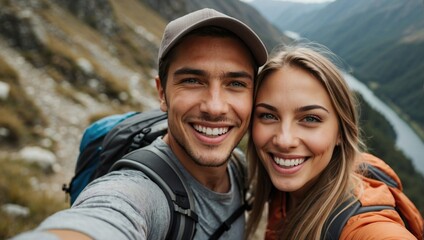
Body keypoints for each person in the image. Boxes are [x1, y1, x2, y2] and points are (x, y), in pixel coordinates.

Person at [12, 8, 267, 240]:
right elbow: (106, 216)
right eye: (192, 80)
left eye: (235, 84)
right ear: (162, 94)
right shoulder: (139, 191)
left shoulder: (238, 165)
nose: (214, 107)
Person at [245, 45, 423, 239]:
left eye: (310, 119)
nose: (284, 140)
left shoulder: (366, 228)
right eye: (268, 115)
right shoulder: (285, 191)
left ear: (340, 132)